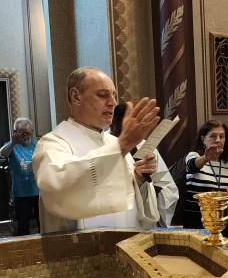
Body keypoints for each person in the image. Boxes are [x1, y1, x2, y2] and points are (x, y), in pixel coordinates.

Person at [32, 67, 161, 233]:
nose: (113, 102)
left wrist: (139, 178)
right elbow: (58, 187)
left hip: (126, 242)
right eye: (103, 95)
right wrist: (122, 145)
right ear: (76, 96)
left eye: (114, 95)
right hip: (81, 248)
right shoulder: (52, 143)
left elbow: (132, 205)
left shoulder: (113, 142)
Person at [110, 102, 178, 227]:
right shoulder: (107, 146)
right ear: (114, 122)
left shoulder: (146, 146)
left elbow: (169, 188)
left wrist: (154, 191)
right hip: (120, 217)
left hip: (147, 214)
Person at [182, 120, 228, 232]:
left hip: (222, 221)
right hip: (196, 221)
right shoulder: (194, 156)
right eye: (213, 136)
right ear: (203, 139)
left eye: (221, 136)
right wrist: (206, 158)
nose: (218, 140)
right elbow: (192, 166)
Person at [0, 118, 40, 235]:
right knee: (23, 226)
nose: (25, 136)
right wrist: (13, 142)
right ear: (15, 132)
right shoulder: (12, 145)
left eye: (27, 133)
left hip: (39, 190)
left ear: (32, 131)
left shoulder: (38, 145)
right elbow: (2, 154)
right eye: (22, 133)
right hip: (21, 193)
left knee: (43, 224)